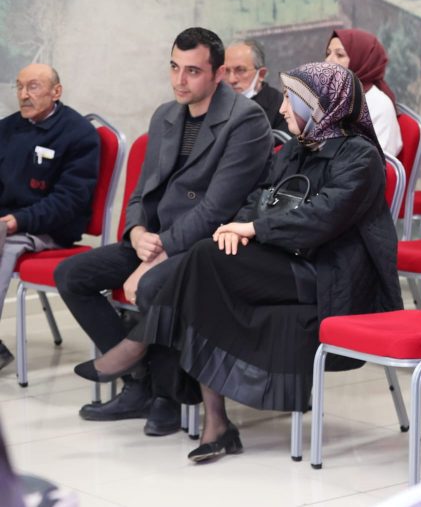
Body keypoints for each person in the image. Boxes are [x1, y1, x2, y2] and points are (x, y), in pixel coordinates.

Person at [73, 62, 402, 462]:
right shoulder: (298, 147)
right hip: (280, 258)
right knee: (206, 275)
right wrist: (238, 227)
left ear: (321, 106)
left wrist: (252, 229)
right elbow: (258, 195)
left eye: (291, 99)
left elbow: (322, 217)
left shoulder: (361, 157)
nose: (282, 108)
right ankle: (215, 423)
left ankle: (140, 351)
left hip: (326, 274)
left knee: (203, 260)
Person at [55, 27, 271, 436]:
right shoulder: (165, 115)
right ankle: (141, 382)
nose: (179, 80)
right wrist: (136, 232)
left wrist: (156, 255)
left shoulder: (246, 120)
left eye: (192, 71)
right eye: (174, 67)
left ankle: (167, 397)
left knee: (155, 286)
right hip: (157, 237)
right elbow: (141, 191)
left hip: (208, 245)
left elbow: (216, 209)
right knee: (72, 275)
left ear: (218, 74)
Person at [0, 64, 100, 370]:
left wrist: (16, 222)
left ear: (56, 92)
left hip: (48, 228)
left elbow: (69, 202)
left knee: (3, 244)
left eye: (33, 87)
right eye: (19, 87)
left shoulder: (79, 135)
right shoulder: (7, 128)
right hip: (8, 221)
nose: (23, 95)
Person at [324, 28, 403, 157]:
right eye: (328, 53)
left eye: (340, 55)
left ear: (361, 60)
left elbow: (375, 163)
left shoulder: (380, 106)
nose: (328, 60)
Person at [223, 39, 288, 132]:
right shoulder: (215, 104)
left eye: (240, 70)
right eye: (226, 71)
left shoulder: (282, 107)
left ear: (261, 74)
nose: (231, 80)